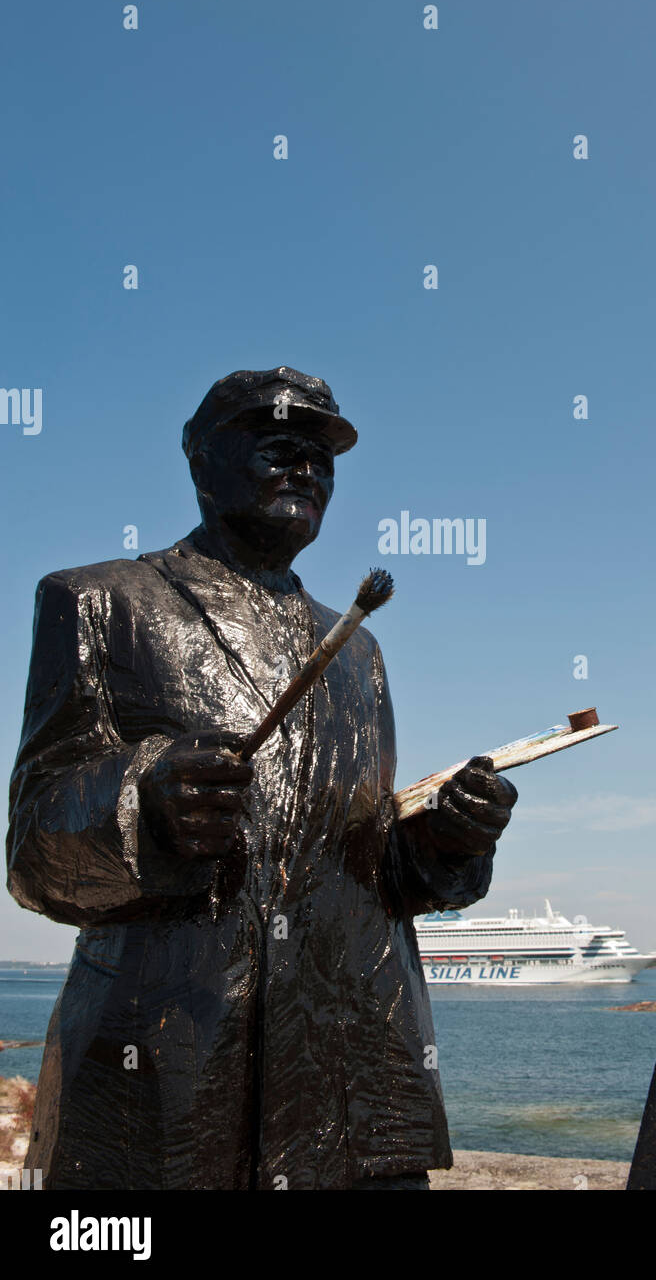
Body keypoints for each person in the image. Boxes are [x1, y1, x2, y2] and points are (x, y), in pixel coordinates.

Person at [7, 366, 517, 1190]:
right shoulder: (97, 601)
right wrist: (144, 801)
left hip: (353, 1083)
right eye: (279, 447)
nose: (307, 470)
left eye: (322, 458)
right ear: (202, 462)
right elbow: (35, 849)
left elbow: (365, 864)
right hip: (164, 1081)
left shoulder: (358, 649)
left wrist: (443, 841)